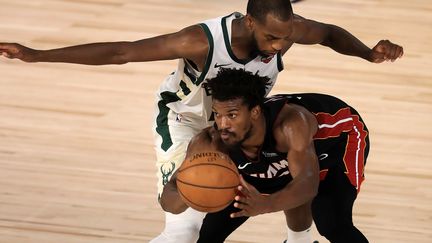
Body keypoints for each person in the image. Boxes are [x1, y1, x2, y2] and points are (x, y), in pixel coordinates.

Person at [0, 0, 400, 242]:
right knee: (184, 227)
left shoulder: (285, 29)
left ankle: (299, 240)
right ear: (248, 22)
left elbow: (328, 32)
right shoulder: (201, 40)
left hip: (241, 120)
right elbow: (122, 51)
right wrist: (38, 55)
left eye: (286, 38)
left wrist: (368, 53)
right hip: (186, 121)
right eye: (273, 39)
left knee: (292, 173)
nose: (281, 46)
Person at [161, 68, 370, 243]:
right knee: (209, 234)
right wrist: (188, 193)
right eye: (218, 114)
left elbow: (307, 185)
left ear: (255, 112)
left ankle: (300, 239)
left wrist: (265, 204)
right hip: (281, 158)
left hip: (337, 142)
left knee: (332, 222)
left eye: (232, 115)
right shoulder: (210, 142)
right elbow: (168, 198)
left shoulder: (290, 125)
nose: (223, 124)